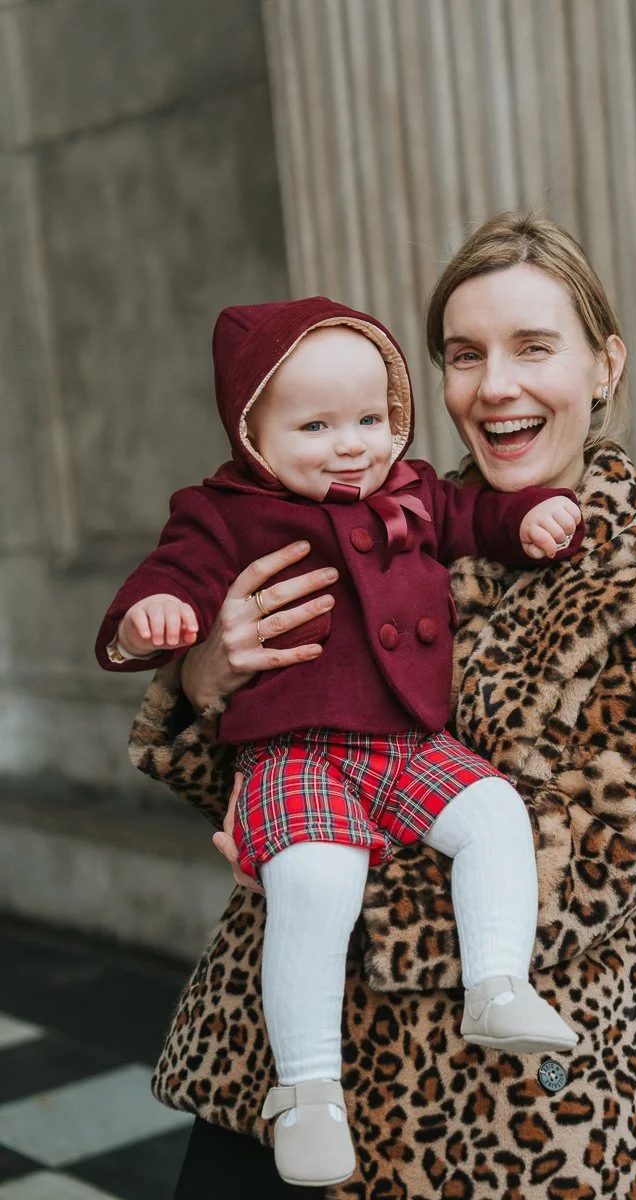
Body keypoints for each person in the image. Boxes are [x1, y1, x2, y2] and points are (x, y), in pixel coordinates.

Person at [128, 213, 636, 1199]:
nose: (492, 383)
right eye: (463, 354)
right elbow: (226, 770)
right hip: (283, 1065)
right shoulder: (367, 516)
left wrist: (313, 874)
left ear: (602, 364)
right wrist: (208, 681)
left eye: (531, 346)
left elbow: (591, 861)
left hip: (514, 1113)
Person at [96, 297, 585, 1187]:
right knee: (317, 878)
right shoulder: (226, 512)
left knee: (492, 809)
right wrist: (158, 630)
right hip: (296, 752)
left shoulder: (413, 490)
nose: (352, 444)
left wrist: (527, 520)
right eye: (316, 425)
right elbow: (174, 575)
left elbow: (478, 516)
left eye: (370, 419)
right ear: (252, 432)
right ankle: (309, 1087)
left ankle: (498, 981)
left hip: (405, 743)